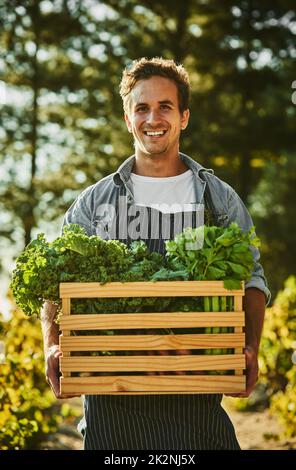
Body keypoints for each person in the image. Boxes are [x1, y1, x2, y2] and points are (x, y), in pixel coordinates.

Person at [41, 57, 271, 450]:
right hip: (111, 403)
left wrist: (249, 346)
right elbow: (56, 280)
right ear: (128, 119)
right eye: (142, 108)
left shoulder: (218, 200)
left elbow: (251, 278)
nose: (153, 118)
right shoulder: (96, 203)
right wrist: (52, 343)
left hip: (197, 391)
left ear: (184, 116)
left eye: (165, 106)